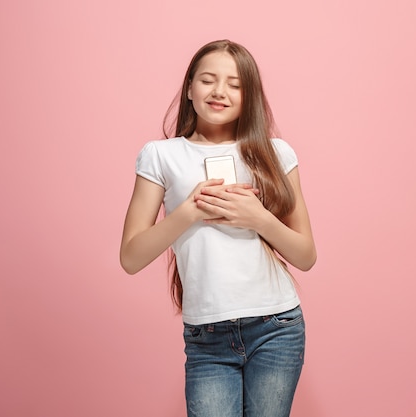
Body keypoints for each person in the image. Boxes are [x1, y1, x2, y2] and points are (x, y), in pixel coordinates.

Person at [120, 39, 316, 417]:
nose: (220, 92)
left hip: (276, 326)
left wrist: (257, 218)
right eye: (208, 80)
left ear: (250, 95)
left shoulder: (276, 153)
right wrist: (188, 211)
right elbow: (130, 256)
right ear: (190, 88)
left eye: (235, 84)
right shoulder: (161, 155)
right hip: (206, 336)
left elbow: (305, 255)